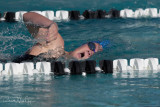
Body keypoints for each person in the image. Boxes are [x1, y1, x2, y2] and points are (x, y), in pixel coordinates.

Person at [13, 12, 108, 63]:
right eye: (91, 46)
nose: (90, 52)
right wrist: (51, 24)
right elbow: (26, 16)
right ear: (82, 45)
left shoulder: (62, 68)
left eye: (92, 54)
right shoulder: (55, 44)